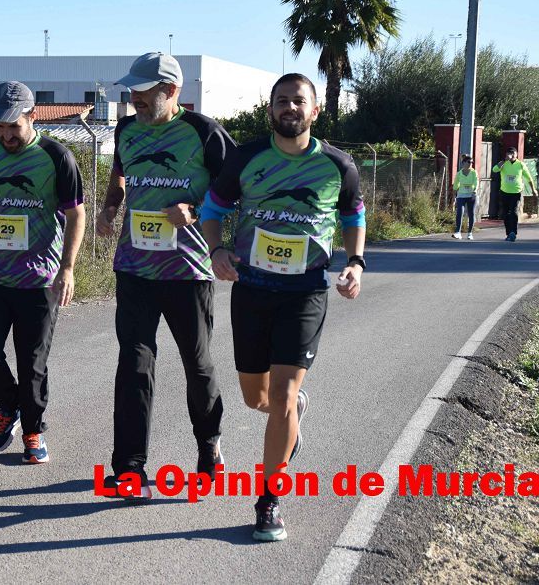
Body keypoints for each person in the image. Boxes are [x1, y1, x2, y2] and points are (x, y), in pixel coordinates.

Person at [201, 73, 365, 542]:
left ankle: (269, 499)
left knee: (284, 398)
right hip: (252, 289)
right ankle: (291, 413)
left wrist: (355, 262)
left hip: (305, 293)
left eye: (299, 101)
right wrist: (217, 251)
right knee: (258, 399)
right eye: (282, 101)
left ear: (315, 111)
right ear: (269, 109)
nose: (290, 108)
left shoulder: (338, 165)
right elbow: (213, 209)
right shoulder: (247, 158)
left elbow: (354, 215)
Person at [95, 52, 235, 500]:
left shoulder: (203, 132)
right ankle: (129, 469)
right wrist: (110, 207)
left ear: (170, 91)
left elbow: (234, 189)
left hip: (187, 269)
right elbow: (119, 174)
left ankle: (209, 444)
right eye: (132, 91)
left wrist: (194, 211)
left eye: (143, 92)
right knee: (134, 363)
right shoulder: (126, 129)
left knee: (197, 363)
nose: (133, 98)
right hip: (134, 265)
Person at [0, 81, 85, 464]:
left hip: (39, 278)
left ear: (32, 116)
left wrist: (67, 269)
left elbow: (75, 213)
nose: (4, 135)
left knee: (31, 361)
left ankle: (33, 431)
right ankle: (10, 406)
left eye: (12, 127)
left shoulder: (56, 156)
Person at [491, 147, 536, 241]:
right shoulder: (503, 163)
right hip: (504, 192)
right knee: (506, 213)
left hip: (516, 192)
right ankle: (508, 233)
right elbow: (494, 170)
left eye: (513, 153)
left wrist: (533, 190)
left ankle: (513, 233)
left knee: (514, 212)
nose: (510, 155)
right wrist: (503, 161)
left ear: (516, 154)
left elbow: (529, 178)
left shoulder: (521, 165)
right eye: (509, 153)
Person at [451, 155, 478, 240]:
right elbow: (456, 185)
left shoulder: (474, 172)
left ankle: (470, 233)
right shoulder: (459, 173)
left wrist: (474, 191)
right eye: (469, 162)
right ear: (463, 163)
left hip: (471, 195)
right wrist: (454, 197)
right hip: (461, 195)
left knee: (471, 213)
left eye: (472, 162)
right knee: (460, 212)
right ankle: (457, 232)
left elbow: (476, 182)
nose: (470, 164)